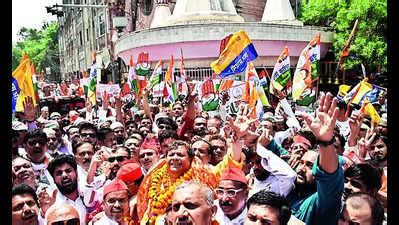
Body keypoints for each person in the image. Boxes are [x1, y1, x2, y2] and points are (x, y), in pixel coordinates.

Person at [286, 92, 344, 225]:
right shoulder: (291, 191)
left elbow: (329, 178)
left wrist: (325, 142)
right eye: (301, 163)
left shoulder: (322, 201)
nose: (301, 169)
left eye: (309, 165)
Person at [136, 140, 218, 224]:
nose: (174, 158)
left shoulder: (201, 178)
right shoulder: (154, 177)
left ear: (190, 158)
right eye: (171, 155)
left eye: (180, 155)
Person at [47, 155, 89, 225]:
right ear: (53, 179)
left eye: (68, 171)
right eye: (59, 173)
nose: (64, 175)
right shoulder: (53, 207)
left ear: (77, 173)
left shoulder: (89, 193)